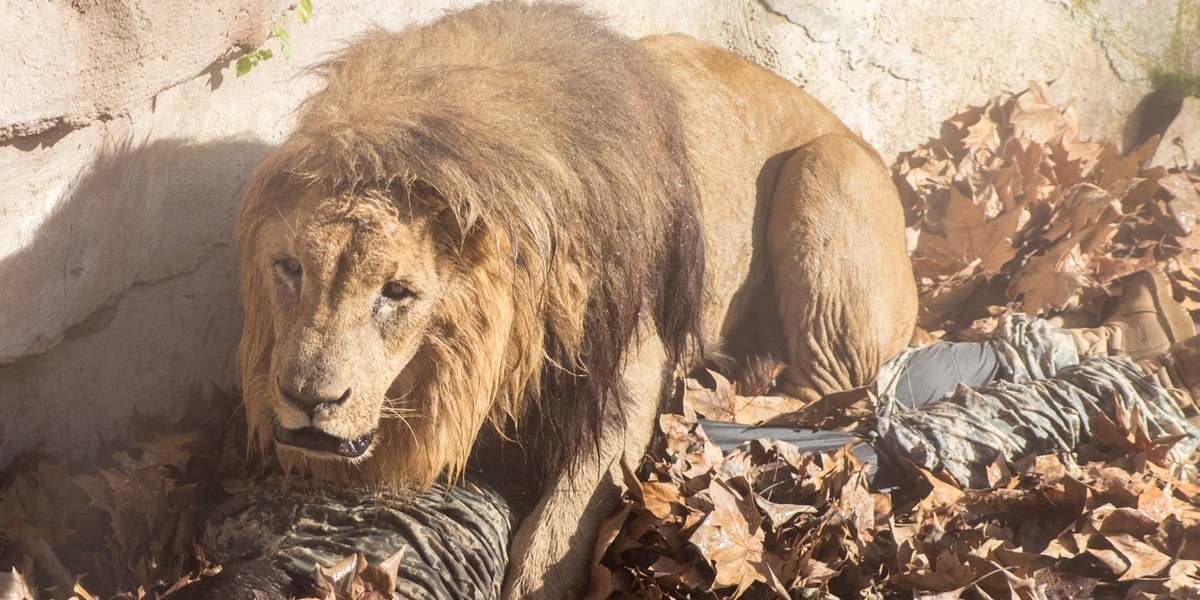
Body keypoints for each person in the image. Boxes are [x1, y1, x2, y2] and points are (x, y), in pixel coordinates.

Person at [183, 269, 1200, 599]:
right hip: (608, 509)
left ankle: (1102, 350)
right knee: (876, 439)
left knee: (872, 443)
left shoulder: (247, 560)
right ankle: (1097, 352)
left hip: (559, 488)